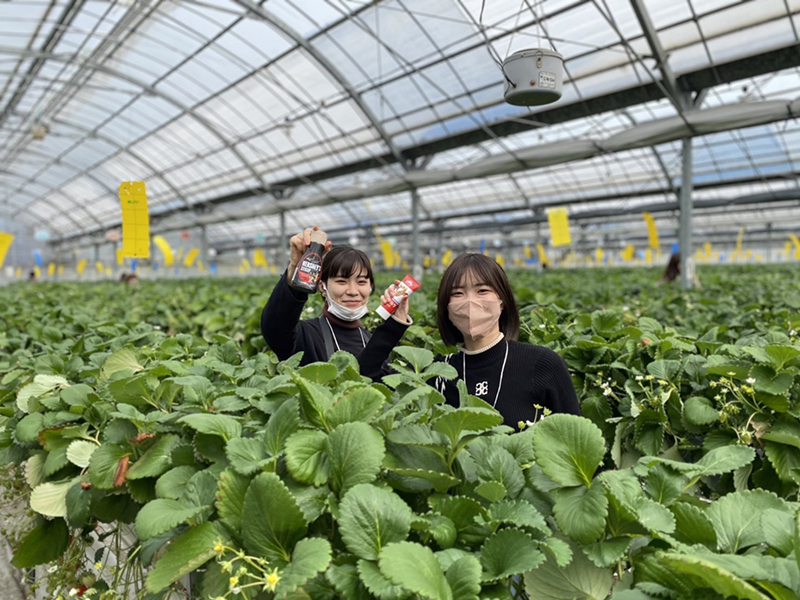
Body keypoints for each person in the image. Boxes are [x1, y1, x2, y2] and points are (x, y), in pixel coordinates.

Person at [433, 253, 580, 428]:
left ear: (502, 301)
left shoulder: (541, 364)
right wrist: (394, 322)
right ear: (446, 307)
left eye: (482, 291)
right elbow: (392, 389)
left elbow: (575, 439)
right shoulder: (438, 373)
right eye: (457, 293)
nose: (470, 302)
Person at [261, 227, 412, 380]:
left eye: (361, 281)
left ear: (370, 287)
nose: (353, 291)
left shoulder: (372, 340)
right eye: (341, 281)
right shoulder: (306, 336)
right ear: (322, 287)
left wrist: (396, 322)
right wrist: (296, 269)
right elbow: (275, 327)